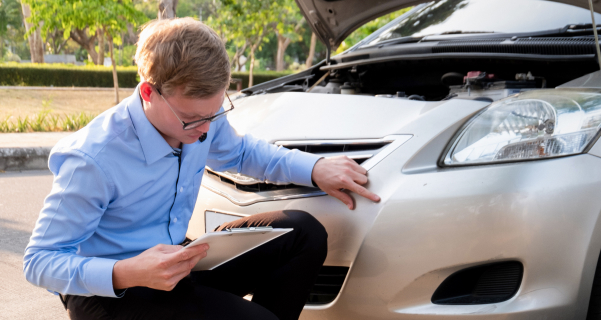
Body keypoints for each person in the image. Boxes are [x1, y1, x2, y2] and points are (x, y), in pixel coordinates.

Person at [23, 18, 380, 320]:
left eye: (214, 113)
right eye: (192, 119)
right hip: (113, 290)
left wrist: (315, 167)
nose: (205, 131)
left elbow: (241, 153)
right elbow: (39, 262)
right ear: (149, 92)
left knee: (304, 233)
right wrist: (129, 271)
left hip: (177, 259)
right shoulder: (93, 159)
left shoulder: (200, 120)